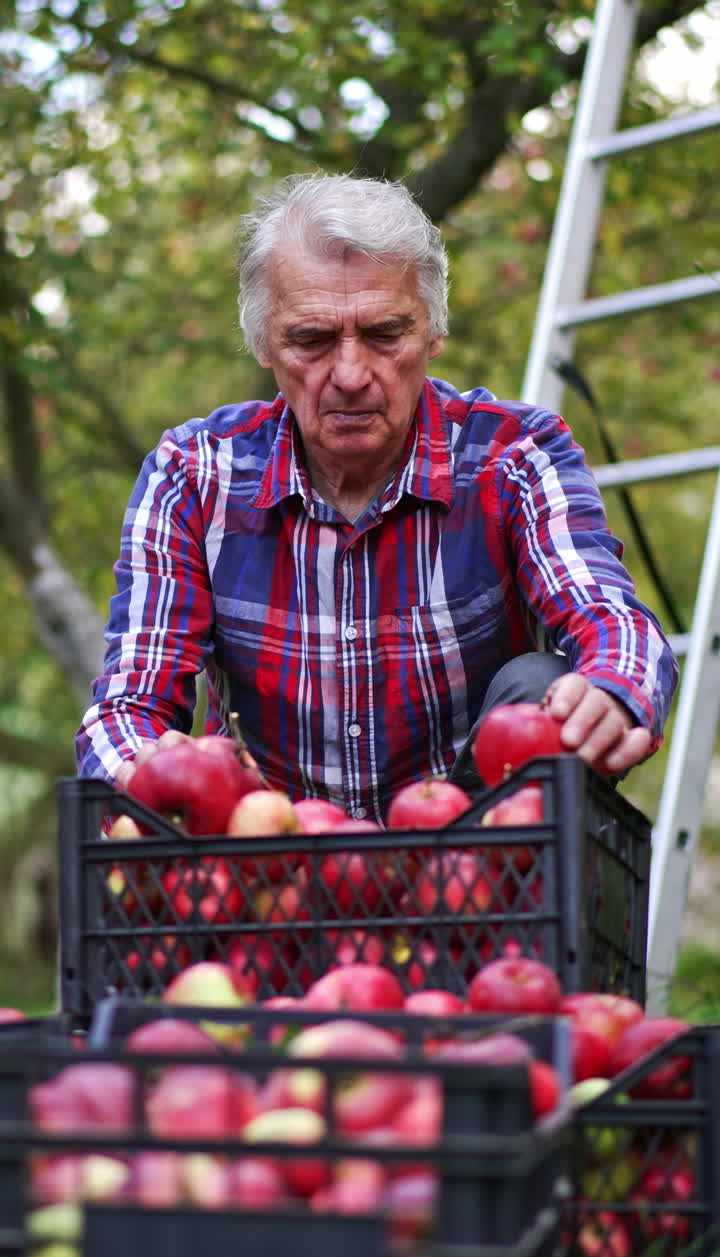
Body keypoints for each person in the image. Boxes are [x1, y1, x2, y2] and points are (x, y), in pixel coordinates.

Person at [75, 171, 679, 822]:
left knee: (543, 686)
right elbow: (129, 703)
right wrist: (146, 771)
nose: (352, 375)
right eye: (311, 340)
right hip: (268, 875)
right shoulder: (193, 476)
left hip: (484, 870)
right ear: (264, 345)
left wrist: (615, 690)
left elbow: (611, 618)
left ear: (432, 333)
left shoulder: (514, 455)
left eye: (385, 334)